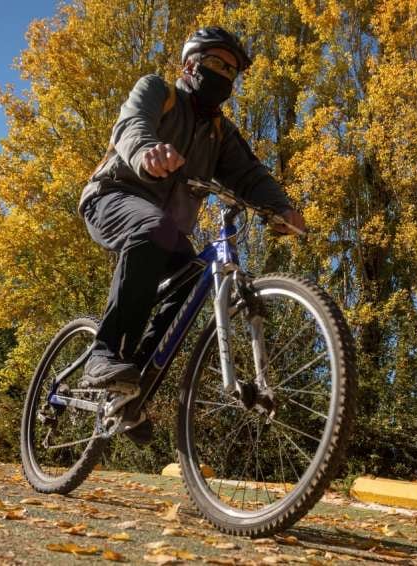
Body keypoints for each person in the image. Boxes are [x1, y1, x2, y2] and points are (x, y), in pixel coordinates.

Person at [76, 27, 306, 439]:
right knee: (154, 227)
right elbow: (131, 125)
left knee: (191, 281)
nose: (225, 75)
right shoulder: (158, 91)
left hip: (163, 230)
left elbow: (250, 175)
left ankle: (132, 391)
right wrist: (148, 151)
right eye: (217, 63)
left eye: (233, 71)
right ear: (190, 65)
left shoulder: (221, 134)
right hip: (112, 195)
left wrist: (283, 207)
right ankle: (104, 352)